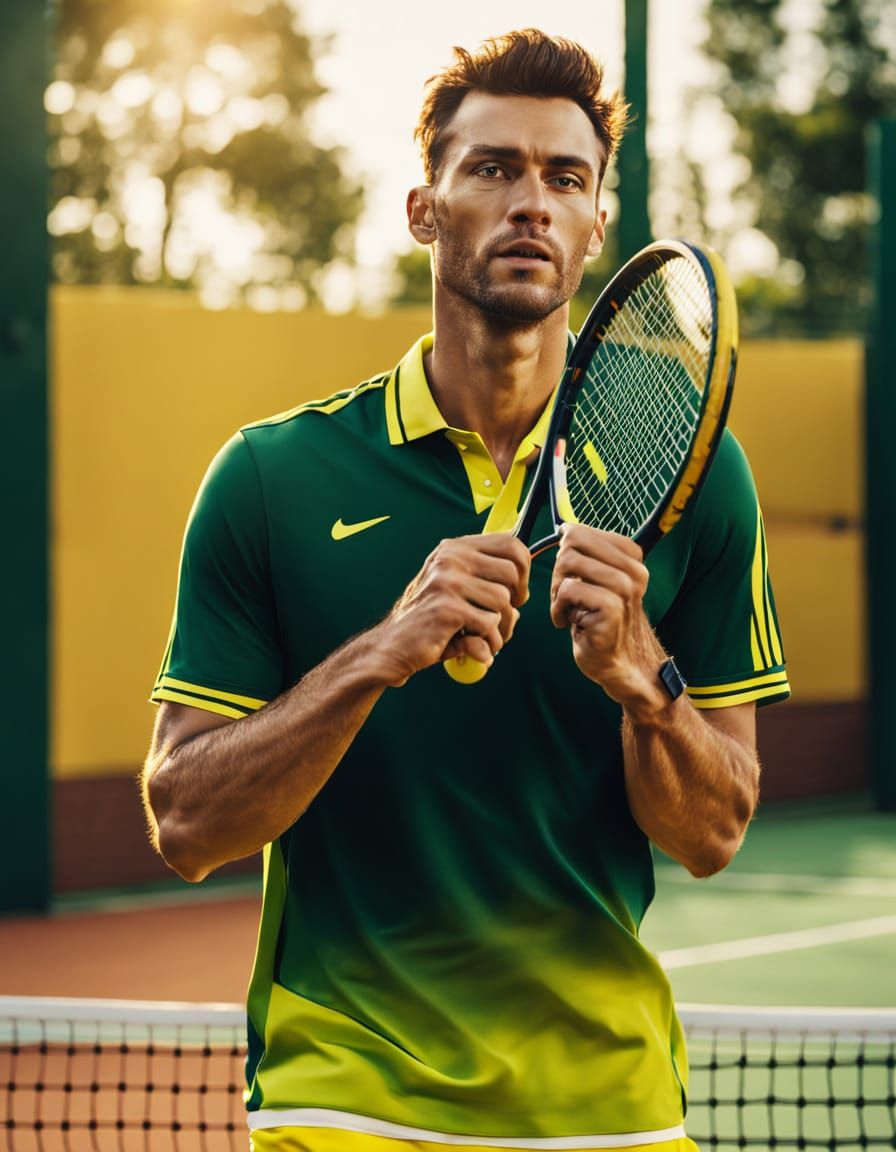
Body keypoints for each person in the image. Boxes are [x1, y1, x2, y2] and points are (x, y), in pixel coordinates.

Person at [142, 28, 789, 1152]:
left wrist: (646, 683)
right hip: (345, 1098)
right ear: (423, 209)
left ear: (594, 226)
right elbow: (186, 821)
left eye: (564, 178)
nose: (529, 202)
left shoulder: (688, 468)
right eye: (490, 169)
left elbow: (713, 830)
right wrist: (377, 654)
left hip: (611, 1111)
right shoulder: (269, 477)